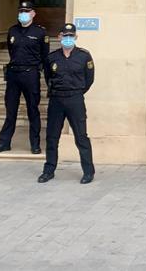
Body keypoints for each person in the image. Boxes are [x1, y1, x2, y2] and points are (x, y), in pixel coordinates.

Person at [38, 23, 95, 184]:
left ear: (75, 37)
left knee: (81, 136)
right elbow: (48, 77)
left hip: (75, 99)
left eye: (71, 36)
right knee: (52, 137)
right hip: (56, 99)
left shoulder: (84, 56)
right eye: (65, 35)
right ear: (59, 37)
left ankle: (88, 172)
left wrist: (77, 92)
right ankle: (49, 170)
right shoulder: (52, 57)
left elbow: (89, 79)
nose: (68, 38)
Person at [0, 0, 49, 154]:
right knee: (10, 110)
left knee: (32, 110)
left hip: (30, 74)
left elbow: (44, 55)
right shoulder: (12, 31)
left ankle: (35, 144)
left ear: (33, 14)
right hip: (14, 74)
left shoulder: (40, 32)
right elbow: (12, 51)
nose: (23, 14)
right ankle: (4, 142)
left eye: (27, 11)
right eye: (21, 12)